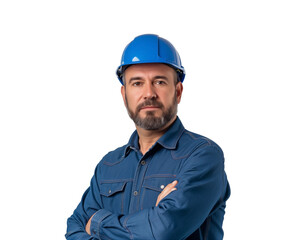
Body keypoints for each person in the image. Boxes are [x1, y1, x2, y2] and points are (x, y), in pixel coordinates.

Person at [65, 34, 230, 240]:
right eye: (137, 83)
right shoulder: (109, 165)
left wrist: (98, 223)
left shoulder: (203, 156)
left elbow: (163, 230)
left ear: (177, 92)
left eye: (159, 82)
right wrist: (152, 218)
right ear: (124, 95)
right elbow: (74, 229)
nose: (149, 93)